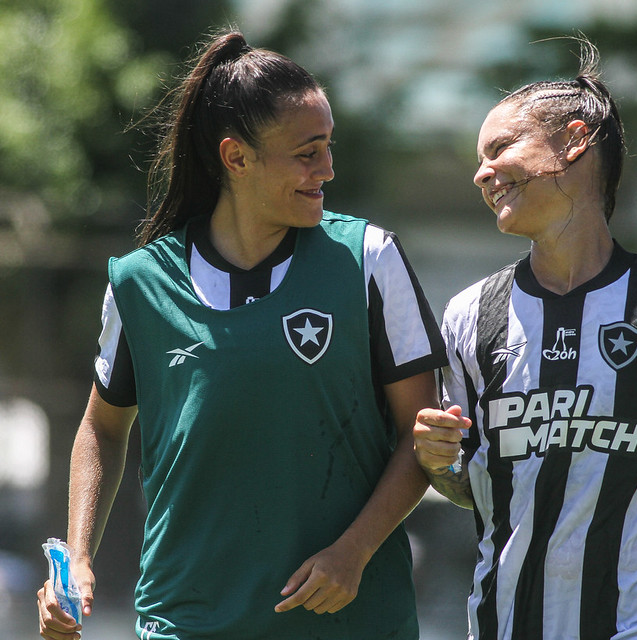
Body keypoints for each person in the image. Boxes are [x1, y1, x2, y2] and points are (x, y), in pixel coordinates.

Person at [37, 30, 446, 640]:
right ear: (236, 158)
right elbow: (101, 426)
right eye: (308, 152)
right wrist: (78, 557)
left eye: (328, 147)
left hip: (348, 623)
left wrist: (353, 553)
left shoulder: (369, 258)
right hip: (186, 620)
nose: (327, 169)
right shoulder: (140, 282)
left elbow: (423, 436)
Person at [412, 38, 637, 640]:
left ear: (574, 140)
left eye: (500, 148)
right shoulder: (468, 316)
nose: (481, 172)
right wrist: (437, 462)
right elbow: (475, 490)